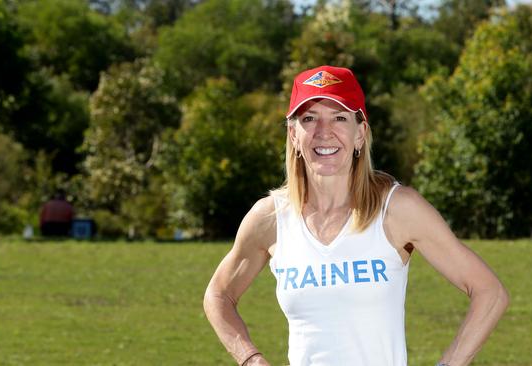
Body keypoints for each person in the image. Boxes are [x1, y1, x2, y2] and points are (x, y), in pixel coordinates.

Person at [204, 65, 510, 366]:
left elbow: (489, 293)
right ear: (293, 134)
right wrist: (251, 360)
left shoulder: (397, 209)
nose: (324, 132)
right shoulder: (270, 218)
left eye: (339, 117)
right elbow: (218, 296)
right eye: (309, 118)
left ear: (360, 133)